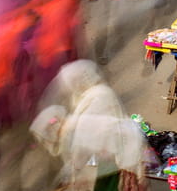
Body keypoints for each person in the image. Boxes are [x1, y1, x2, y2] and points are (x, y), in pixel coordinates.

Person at [29, 61, 146, 191]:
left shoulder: (98, 98)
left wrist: (73, 176)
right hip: (111, 155)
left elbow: (83, 149)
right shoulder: (90, 96)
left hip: (113, 158)